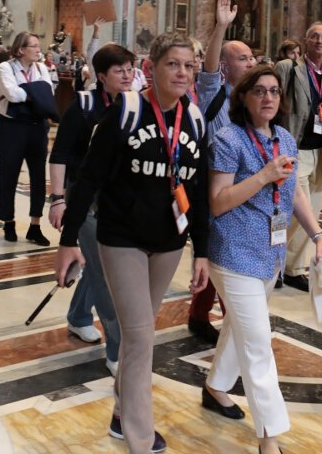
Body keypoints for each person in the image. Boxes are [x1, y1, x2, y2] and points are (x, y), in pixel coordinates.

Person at [56, 32, 210, 454]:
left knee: (141, 331)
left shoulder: (194, 119)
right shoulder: (126, 111)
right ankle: (140, 438)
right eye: (173, 64)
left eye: (188, 66)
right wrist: (69, 240)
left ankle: (123, 410)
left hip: (168, 242)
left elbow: (194, 192)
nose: (182, 73)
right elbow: (88, 180)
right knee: (140, 337)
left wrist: (203, 251)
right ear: (152, 68)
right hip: (121, 237)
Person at [203, 65, 322, 453]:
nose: (269, 98)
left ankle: (215, 386)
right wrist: (262, 176)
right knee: (258, 342)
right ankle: (269, 437)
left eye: (274, 91)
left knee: (239, 327)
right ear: (244, 97)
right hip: (233, 251)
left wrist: (318, 235)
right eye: (259, 91)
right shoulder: (228, 139)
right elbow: (218, 202)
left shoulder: (286, 140)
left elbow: (294, 194)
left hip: (269, 252)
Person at [47, 43, 137, 374]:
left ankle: (79, 315)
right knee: (106, 274)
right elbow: (59, 155)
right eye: (119, 71)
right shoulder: (84, 106)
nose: (127, 75)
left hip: (117, 199)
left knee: (97, 264)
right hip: (82, 198)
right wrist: (57, 200)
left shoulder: (134, 105)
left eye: (130, 69)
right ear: (101, 76)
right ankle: (117, 350)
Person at [189, 0, 253, 343]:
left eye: (252, 57)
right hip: (214, 183)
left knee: (226, 255)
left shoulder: (253, 98)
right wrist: (221, 27)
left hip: (245, 184)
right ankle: (235, 323)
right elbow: (210, 67)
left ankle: (199, 314)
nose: (251, 62)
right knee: (223, 256)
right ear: (227, 67)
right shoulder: (215, 90)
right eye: (243, 58)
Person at [274, 23, 322, 292]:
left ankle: (291, 268)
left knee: (312, 213)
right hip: (295, 149)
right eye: (314, 36)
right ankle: (273, 259)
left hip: (321, 151)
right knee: (296, 214)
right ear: (306, 41)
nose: (319, 40)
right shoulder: (289, 68)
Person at [0, 32, 53, 245]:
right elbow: (12, 94)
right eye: (34, 46)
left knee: (38, 177)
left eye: (39, 46)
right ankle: (8, 222)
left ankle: (35, 226)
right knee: (8, 173)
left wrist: (30, 93)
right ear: (21, 50)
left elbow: (48, 93)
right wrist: (35, 94)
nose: (39, 50)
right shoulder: (5, 68)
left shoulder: (41, 68)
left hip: (37, 126)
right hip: (11, 126)